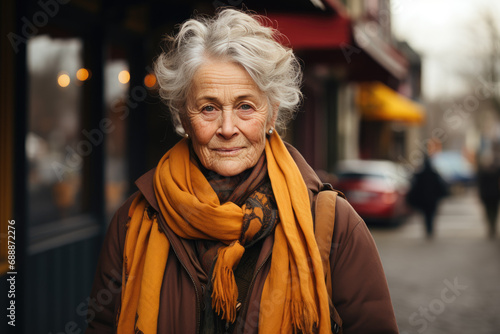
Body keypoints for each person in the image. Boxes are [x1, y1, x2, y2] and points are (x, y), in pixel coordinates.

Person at [86, 9, 398, 334]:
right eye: (208, 107)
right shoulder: (133, 221)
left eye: (245, 106)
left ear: (272, 114)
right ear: (183, 117)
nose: (227, 128)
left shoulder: (333, 224)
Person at [406, 155, 449, 238]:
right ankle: (430, 229)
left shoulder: (420, 175)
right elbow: (441, 186)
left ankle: (428, 229)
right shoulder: (434, 174)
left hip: (424, 200)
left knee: (426, 215)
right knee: (431, 215)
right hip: (432, 200)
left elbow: (414, 187)